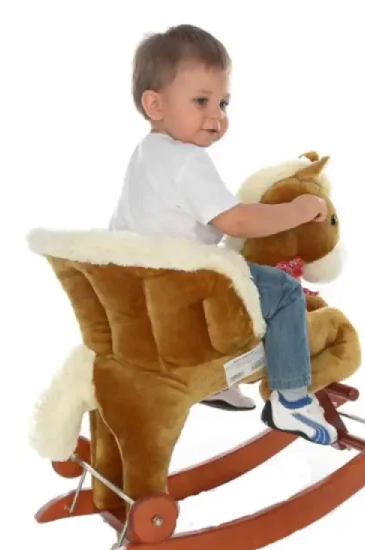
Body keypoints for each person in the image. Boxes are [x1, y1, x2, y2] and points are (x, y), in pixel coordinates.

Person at [108, 24, 337, 445]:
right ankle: (291, 398)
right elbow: (237, 222)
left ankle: (213, 380)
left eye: (223, 102)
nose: (216, 115)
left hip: (139, 294)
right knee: (284, 290)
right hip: (183, 293)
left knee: (242, 275)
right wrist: (299, 210)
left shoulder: (146, 153)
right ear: (155, 104)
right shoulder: (186, 161)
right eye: (201, 101)